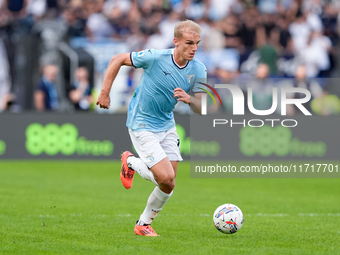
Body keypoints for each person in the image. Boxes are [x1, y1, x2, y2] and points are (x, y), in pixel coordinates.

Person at [96, 20, 206, 236]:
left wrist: (189, 99)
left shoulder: (199, 69)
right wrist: (104, 92)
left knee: (169, 184)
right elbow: (117, 59)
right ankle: (130, 161)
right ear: (176, 41)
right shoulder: (156, 57)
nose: (194, 48)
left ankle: (143, 224)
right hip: (142, 123)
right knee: (164, 177)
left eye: (197, 44)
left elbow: (202, 109)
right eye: (189, 43)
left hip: (166, 123)